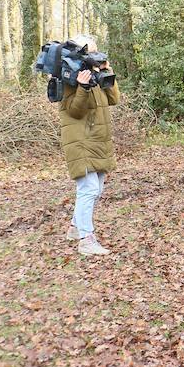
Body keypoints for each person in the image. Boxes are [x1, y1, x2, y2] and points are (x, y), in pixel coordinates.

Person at [61, 34, 119, 256]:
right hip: (80, 140)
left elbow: (113, 99)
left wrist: (107, 72)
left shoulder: (95, 75)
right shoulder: (67, 77)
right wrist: (82, 87)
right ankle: (86, 240)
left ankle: (75, 228)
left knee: (97, 189)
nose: (96, 56)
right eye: (91, 52)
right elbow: (74, 111)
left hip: (98, 140)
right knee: (89, 189)